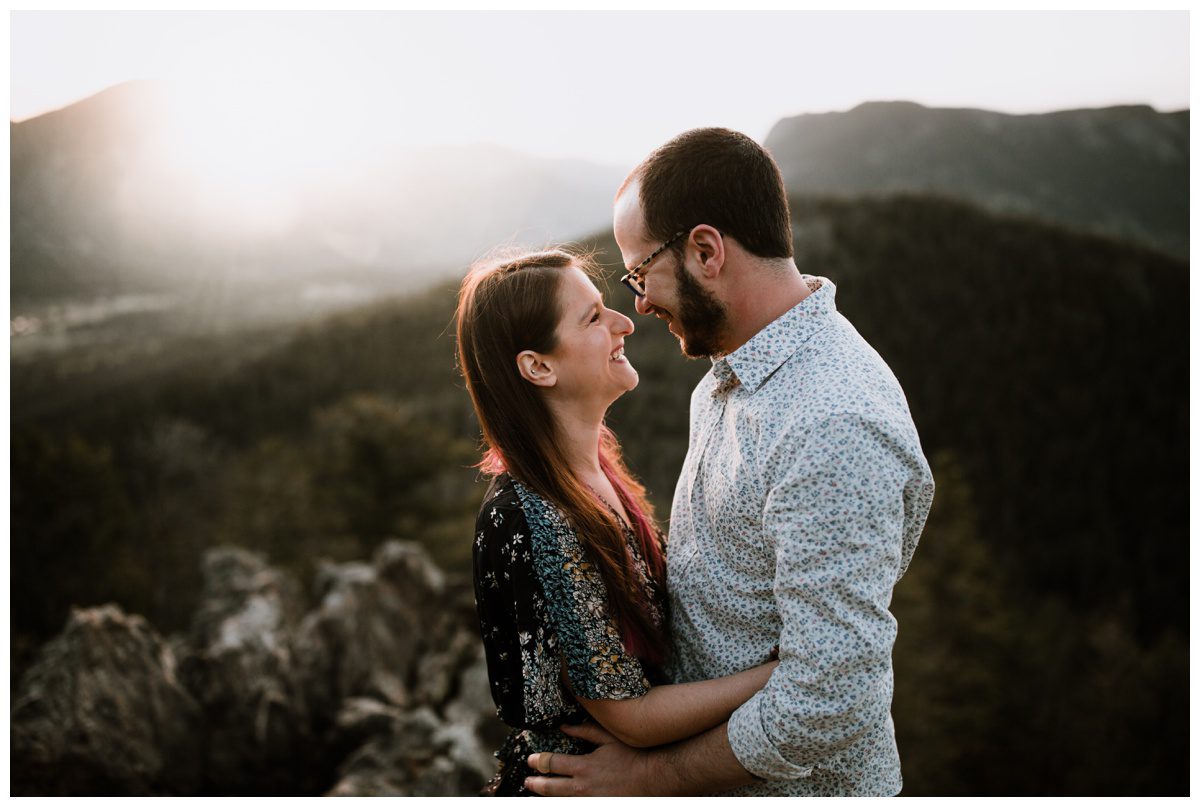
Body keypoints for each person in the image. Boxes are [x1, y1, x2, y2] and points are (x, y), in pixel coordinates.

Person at [521, 128, 936, 797]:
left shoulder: (832, 422)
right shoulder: (730, 370)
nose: (640, 303)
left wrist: (650, 775)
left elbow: (829, 698)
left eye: (640, 273)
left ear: (706, 250)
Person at [455, 248, 780, 796]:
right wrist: (781, 673)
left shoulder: (595, 471)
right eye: (593, 317)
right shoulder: (529, 520)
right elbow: (631, 715)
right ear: (539, 366)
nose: (625, 321)